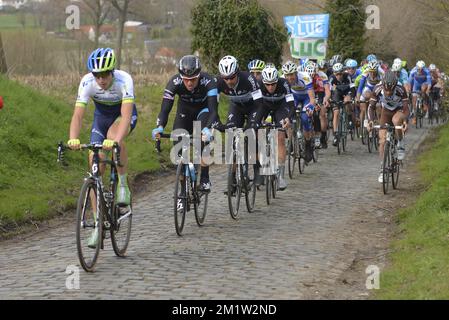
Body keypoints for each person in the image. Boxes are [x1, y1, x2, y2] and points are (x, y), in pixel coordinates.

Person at [68, 47, 137, 247]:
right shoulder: (87, 82)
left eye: (105, 74)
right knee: (94, 168)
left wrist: (116, 141)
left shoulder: (124, 80)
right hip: (101, 119)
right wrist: (73, 138)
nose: (101, 80)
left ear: (112, 71)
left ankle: (122, 184)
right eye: (97, 75)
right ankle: (98, 224)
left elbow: (125, 116)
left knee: (115, 137)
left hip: (122, 117)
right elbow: (78, 115)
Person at [152, 55, 219, 195]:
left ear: (199, 76)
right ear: (181, 77)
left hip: (204, 110)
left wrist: (208, 129)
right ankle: (183, 192)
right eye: (186, 80)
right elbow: (165, 109)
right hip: (184, 112)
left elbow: (213, 111)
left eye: (193, 79)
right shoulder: (174, 82)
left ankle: (205, 177)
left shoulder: (209, 81)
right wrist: (160, 127)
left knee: (202, 140)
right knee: (178, 148)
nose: (189, 83)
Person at [216, 55, 265, 187]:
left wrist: (255, 122)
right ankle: (232, 177)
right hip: (236, 107)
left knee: (251, 134)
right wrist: (216, 122)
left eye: (232, 77)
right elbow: (212, 105)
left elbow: (260, 103)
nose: (229, 81)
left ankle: (257, 169)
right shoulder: (219, 82)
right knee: (231, 138)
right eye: (226, 78)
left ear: (237, 73)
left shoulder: (249, 79)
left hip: (253, 107)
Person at [250, 65, 295, 190]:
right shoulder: (258, 84)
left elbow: (291, 105)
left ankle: (280, 176)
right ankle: (262, 167)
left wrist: (288, 118)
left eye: (273, 84)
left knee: (280, 137)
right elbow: (254, 105)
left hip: (280, 107)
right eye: (267, 84)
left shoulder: (284, 83)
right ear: (263, 82)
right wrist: (257, 119)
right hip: (263, 106)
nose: (270, 87)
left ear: (277, 81)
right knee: (259, 136)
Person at [368, 71, 409, 183]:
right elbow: (371, 107)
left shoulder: (401, 89)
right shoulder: (377, 88)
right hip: (386, 112)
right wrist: (371, 121)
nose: (388, 92)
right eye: (386, 90)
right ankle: (382, 169)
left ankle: (400, 143)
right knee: (382, 141)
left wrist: (405, 120)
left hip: (399, 110)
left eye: (391, 90)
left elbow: (406, 108)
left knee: (396, 121)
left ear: (395, 86)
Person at [282, 60, 316, 162]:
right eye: (287, 75)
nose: (289, 78)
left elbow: (312, 98)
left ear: (296, 73)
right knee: (288, 117)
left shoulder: (304, 77)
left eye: (291, 75)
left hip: (306, 96)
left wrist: (310, 108)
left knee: (305, 118)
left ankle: (308, 145)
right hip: (294, 96)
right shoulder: (282, 79)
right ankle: (291, 143)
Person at [329, 62, 356, 147]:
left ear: (343, 72)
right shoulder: (331, 78)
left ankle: (350, 119)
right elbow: (329, 91)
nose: (339, 76)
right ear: (334, 73)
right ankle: (336, 134)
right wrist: (330, 99)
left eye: (340, 74)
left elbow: (352, 88)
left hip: (346, 92)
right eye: (337, 74)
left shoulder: (347, 76)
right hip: (336, 94)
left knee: (348, 101)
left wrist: (352, 97)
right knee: (336, 113)